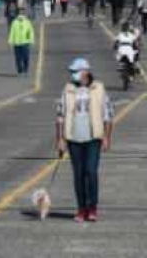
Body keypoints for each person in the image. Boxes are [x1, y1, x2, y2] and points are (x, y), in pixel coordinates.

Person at [55, 58, 114, 223]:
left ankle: (92, 207)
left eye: (75, 71)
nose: (72, 75)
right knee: (78, 175)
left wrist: (107, 138)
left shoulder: (98, 88)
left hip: (93, 138)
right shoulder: (67, 90)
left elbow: (108, 115)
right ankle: (81, 209)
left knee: (91, 171)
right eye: (72, 72)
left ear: (85, 71)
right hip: (73, 138)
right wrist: (60, 139)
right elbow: (60, 115)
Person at [8, 8, 35, 77]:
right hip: (17, 43)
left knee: (26, 57)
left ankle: (26, 71)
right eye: (20, 13)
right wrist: (10, 41)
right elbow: (12, 32)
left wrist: (31, 40)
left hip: (25, 42)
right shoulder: (14, 22)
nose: (21, 15)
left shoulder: (27, 22)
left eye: (22, 13)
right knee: (18, 58)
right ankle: (20, 71)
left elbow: (30, 31)